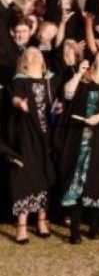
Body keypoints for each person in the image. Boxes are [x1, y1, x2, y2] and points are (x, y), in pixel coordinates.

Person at [58, 48, 99, 244]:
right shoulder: (84, 77)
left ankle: (94, 225)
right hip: (79, 135)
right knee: (76, 178)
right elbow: (68, 94)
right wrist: (78, 73)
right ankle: (74, 230)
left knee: (96, 179)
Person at [5, 47, 57, 244]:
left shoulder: (50, 81)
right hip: (26, 135)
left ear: (43, 60)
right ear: (24, 62)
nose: (34, 56)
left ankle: (42, 221)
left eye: (38, 54)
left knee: (44, 175)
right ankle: (22, 226)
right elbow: (15, 97)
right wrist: (20, 104)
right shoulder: (19, 81)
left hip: (47, 136)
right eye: (30, 54)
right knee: (24, 176)